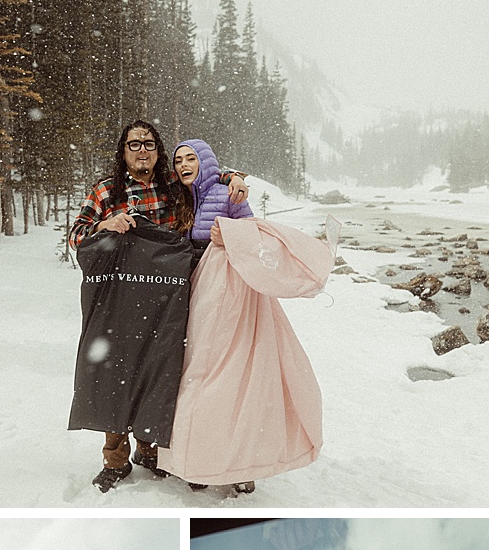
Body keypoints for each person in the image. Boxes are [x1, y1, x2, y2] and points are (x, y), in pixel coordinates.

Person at [68, 120, 249, 492]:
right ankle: (115, 460)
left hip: (165, 296)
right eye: (133, 144)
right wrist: (106, 223)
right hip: (119, 298)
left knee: (160, 370)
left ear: (157, 149)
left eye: (149, 143)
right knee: (116, 373)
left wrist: (233, 178)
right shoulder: (106, 190)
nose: (142, 150)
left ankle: (150, 451)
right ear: (123, 152)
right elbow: (75, 235)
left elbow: (203, 176)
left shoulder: (169, 185)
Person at [158, 139, 329, 497]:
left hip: (230, 292)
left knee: (236, 374)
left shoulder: (228, 193)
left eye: (192, 158)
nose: (184, 165)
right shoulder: (179, 197)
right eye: (179, 160)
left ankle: (243, 463)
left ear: (206, 162)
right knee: (197, 373)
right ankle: (200, 459)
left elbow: (255, 236)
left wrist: (229, 234)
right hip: (191, 290)